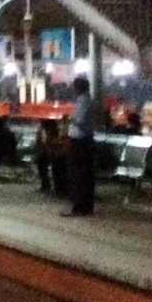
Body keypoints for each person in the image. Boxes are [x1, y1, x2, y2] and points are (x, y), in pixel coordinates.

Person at [64, 76, 95, 216]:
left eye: (74, 87)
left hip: (80, 142)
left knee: (78, 175)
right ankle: (83, 205)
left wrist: (69, 119)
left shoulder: (84, 101)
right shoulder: (85, 100)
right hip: (83, 141)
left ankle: (80, 206)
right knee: (82, 175)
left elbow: (80, 121)